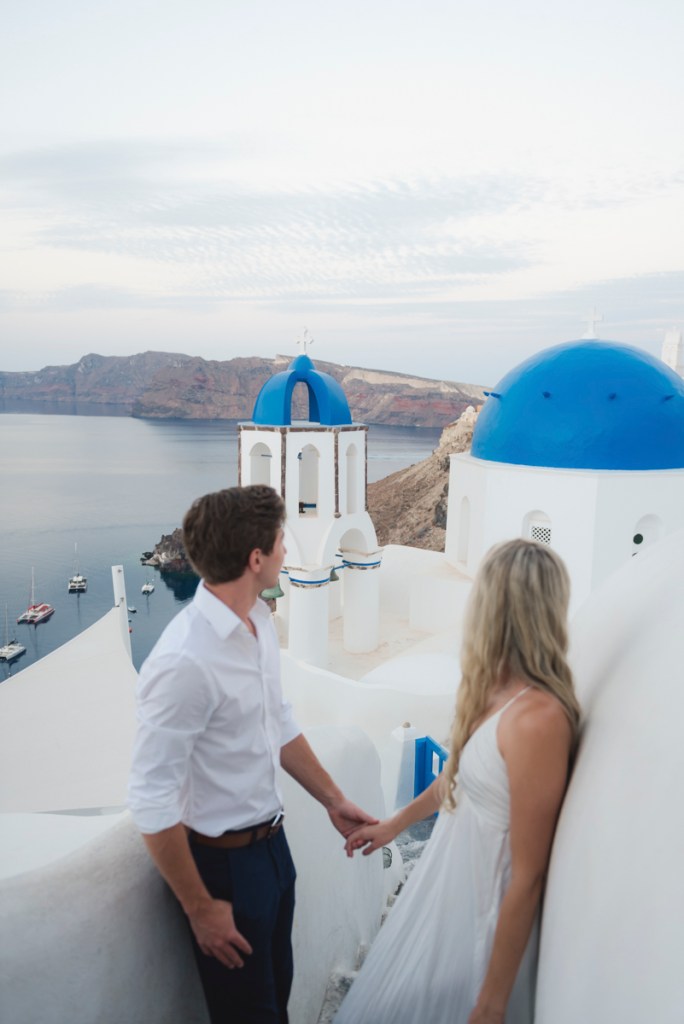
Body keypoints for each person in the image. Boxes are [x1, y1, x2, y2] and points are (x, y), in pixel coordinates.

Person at [128, 485, 376, 1024]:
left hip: (273, 853)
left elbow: (278, 724)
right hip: (221, 871)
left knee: (275, 999)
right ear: (255, 558)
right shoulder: (182, 662)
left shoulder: (259, 622)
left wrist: (333, 800)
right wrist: (199, 907)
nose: (287, 547)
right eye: (279, 539)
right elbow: (150, 799)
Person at [336, 538, 581, 1024]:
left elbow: (530, 874)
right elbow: (453, 780)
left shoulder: (538, 719)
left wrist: (492, 999)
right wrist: (392, 826)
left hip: (484, 921)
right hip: (446, 896)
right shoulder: (492, 690)